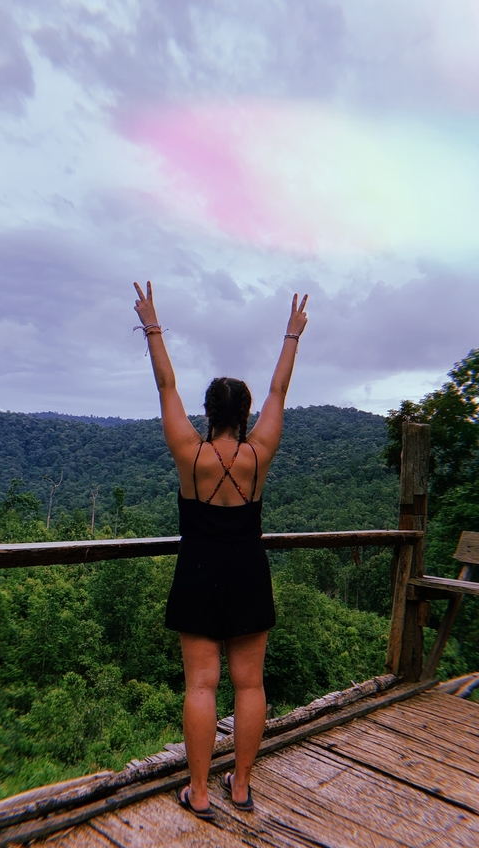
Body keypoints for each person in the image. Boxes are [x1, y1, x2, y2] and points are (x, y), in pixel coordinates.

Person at [133, 280, 308, 819]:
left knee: (201, 684)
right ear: (246, 412)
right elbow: (280, 391)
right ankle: (242, 785)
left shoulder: (190, 452)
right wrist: (291, 335)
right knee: (249, 683)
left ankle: (201, 792)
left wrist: (152, 325)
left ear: (208, 413)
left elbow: (166, 384)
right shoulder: (260, 453)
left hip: (199, 569)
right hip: (249, 568)